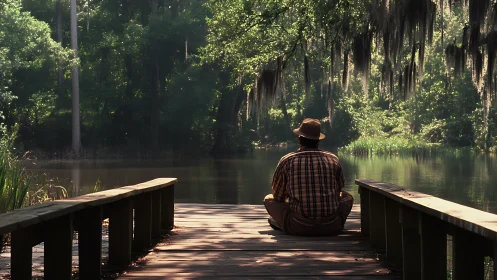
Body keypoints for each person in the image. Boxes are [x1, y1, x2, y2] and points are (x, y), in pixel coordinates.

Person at [263, 118, 353, 236]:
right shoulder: (332, 159)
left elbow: (278, 196)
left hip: (299, 225)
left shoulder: (287, 160)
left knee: (268, 199)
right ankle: (335, 222)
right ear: (318, 140)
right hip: (331, 225)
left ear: (300, 138)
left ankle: (282, 222)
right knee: (348, 197)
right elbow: (339, 190)